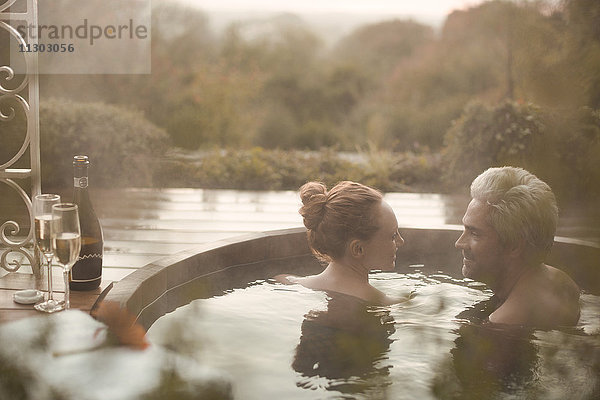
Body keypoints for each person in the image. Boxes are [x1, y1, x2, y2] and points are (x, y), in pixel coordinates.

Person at [455, 166, 580, 328]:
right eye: (465, 229)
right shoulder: (560, 281)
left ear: (514, 245)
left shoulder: (504, 324)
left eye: (475, 233)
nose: (459, 243)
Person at [275, 181, 408, 305]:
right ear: (358, 249)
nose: (401, 241)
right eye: (393, 235)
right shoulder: (385, 303)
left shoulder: (287, 281)